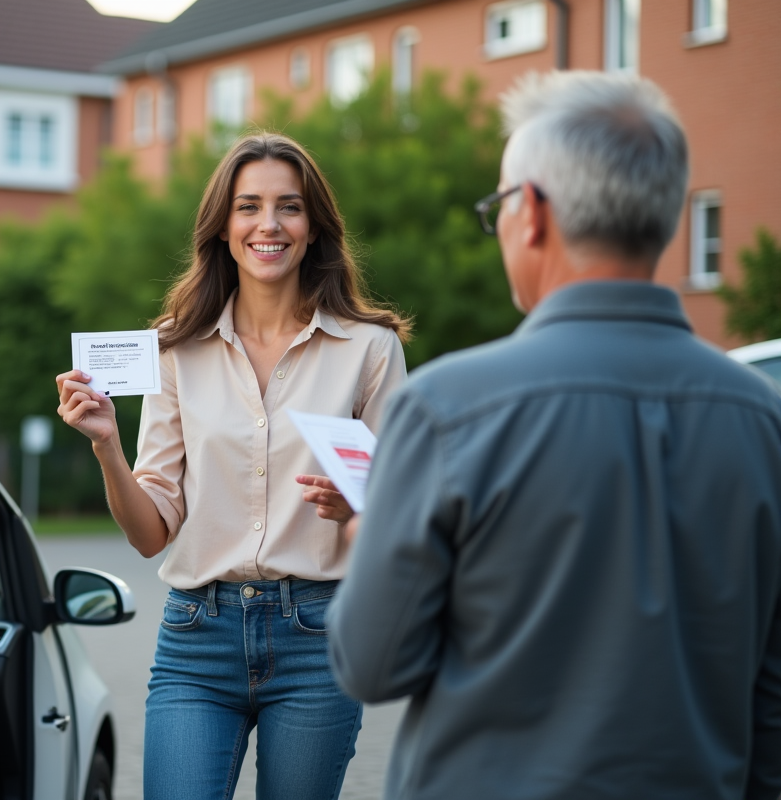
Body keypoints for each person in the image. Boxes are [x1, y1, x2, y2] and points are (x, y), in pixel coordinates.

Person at [327, 70, 781, 799]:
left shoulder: (446, 408)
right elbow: (771, 701)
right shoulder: (764, 420)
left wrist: (367, 532)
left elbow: (372, 665)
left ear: (530, 212)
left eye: (498, 205)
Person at [56, 132, 410, 799]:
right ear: (223, 226)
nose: (268, 224)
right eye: (248, 206)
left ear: (314, 229)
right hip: (197, 636)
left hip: (319, 635)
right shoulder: (173, 349)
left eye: (289, 207)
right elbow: (149, 533)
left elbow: (400, 515)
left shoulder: (371, 348)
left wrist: (358, 504)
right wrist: (107, 445)